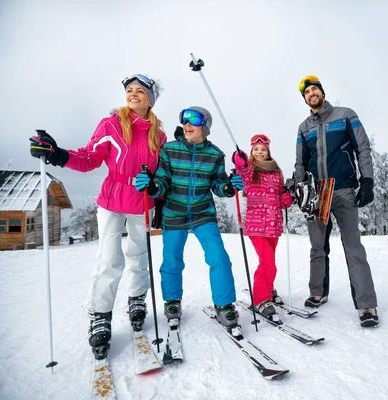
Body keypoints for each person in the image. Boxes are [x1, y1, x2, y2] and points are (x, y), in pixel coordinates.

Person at [29, 74, 167, 358]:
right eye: (130, 90)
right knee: (109, 258)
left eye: (141, 91)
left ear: (151, 99)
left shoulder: (159, 135)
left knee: (139, 254)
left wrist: (159, 197)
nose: (134, 94)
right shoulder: (112, 125)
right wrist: (58, 155)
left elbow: (162, 172)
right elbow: (89, 157)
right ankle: (101, 314)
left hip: (143, 202)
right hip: (113, 200)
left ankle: (137, 298)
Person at [134, 106, 245, 333]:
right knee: (172, 259)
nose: (187, 124)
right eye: (184, 120)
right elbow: (162, 181)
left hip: (203, 212)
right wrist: (152, 185)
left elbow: (218, 184)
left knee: (219, 257)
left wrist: (229, 187)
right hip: (174, 212)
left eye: (193, 120)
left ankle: (224, 303)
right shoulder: (170, 150)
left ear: (205, 126)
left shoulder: (215, 154)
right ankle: (172, 300)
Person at [293, 75, 379, 328]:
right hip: (317, 194)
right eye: (307, 92)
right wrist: (300, 189)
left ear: (322, 92)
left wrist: (367, 181)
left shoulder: (345, 115)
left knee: (353, 247)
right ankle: (318, 292)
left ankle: (367, 305)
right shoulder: (303, 127)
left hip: (342, 190)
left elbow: (362, 148)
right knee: (317, 246)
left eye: (314, 89)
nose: (311, 94)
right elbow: (300, 161)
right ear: (305, 99)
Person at [231, 134, 293, 322]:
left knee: (270, 262)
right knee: (267, 263)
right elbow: (242, 169)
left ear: (268, 152)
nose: (259, 152)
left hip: (273, 224)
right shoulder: (251, 170)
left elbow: (280, 192)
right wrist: (239, 159)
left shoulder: (276, 172)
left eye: (263, 149)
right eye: (256, 149)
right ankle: (260, 299)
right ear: (251, 151)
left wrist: (285, 199)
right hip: (256, 225)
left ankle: (267, 287)